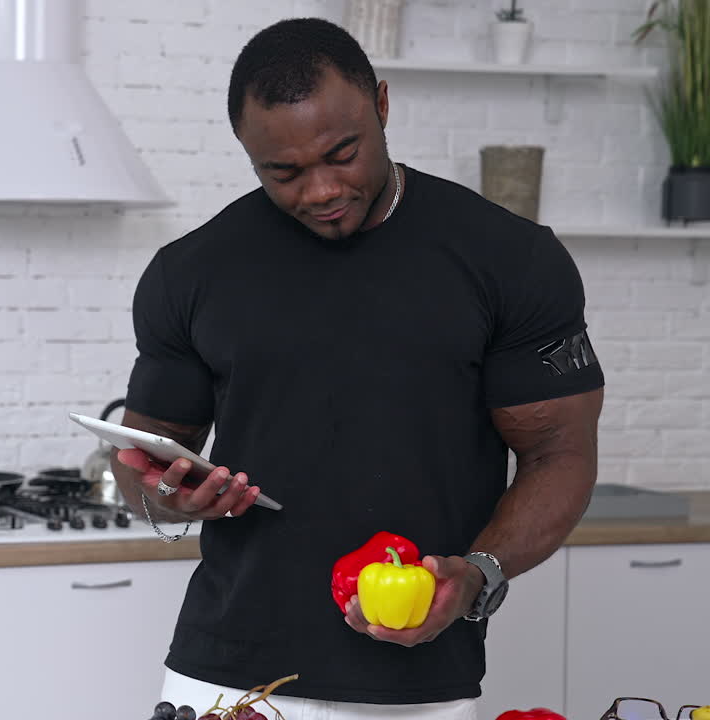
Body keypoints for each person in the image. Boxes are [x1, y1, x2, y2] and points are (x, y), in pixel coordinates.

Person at [110, 16, 605, 720]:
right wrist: (169, 497)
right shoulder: (191, 272)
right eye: (283, 172)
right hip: (221, 675)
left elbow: (559, 453)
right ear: (248, 152)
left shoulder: (511, 260)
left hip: (419, 683)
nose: (319, 190)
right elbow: (144, 461)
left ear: (381, 105)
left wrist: (478, 575)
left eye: (342, 154)